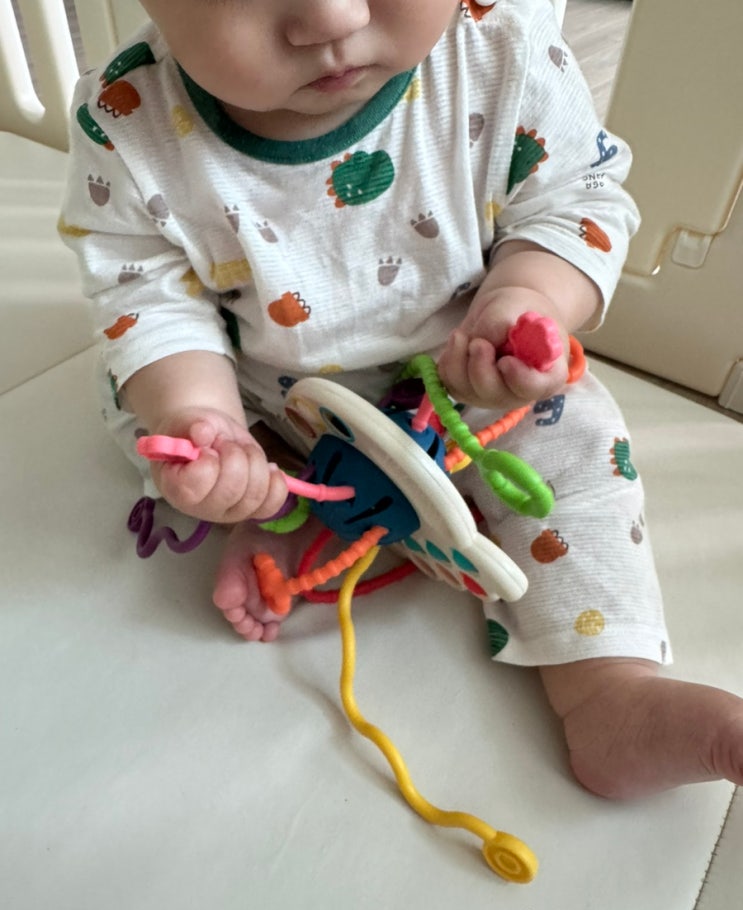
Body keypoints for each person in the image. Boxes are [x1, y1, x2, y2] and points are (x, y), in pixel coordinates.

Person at [60, 0, 743, 799]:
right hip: (268, 399)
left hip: (467, 382)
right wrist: (207, 423)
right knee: (154, 410)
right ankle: (280, 507)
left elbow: (580, 199)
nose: (331, 18)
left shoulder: (498, 49)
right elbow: (144, 299)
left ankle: (607, 689)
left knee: (576, 435)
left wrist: (525, 298)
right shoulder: (127, 118)